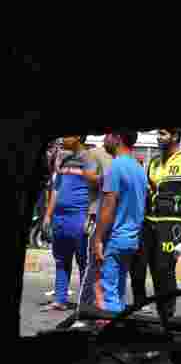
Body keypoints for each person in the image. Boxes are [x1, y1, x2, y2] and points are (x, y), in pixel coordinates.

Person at [131, 128, 181, 321]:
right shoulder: (154, 162)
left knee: (163, 270)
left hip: (172, 224)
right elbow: (148, 192)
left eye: (163, 134)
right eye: (158, 133)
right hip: (148, 222)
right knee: (137, 266)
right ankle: (139, 309)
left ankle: (167, 317)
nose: (158, 137)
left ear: (175, 136)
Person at [90, 131, 147, 316]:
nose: (104, 139)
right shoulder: (139, 169)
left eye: (107, 134)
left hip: (114, 239)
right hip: (131, 240)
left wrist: (97, 239)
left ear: (117, 137)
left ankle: (110, 336)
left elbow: (108, 207)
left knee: (108, 294)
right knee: (118, 291)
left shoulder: (116, 167)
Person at [41, 135, 100, 312]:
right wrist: (47, 216)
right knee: (61, 260)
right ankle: (60, 299)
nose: (62, 138)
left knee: (84, 262)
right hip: (60, 218)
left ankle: (85, 304)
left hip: (79, 216)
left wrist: (91, 216)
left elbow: (97, 189)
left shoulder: (89, 158)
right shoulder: (62, 158)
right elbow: (56, 188)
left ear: (78, 137)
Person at [74, 138, 113, 316]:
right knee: (93, 265)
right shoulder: (95, 153)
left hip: (114, 218)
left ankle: (102, 309)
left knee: (106, 266)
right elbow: (87, 176)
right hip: (96, 214)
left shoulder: (121, 156)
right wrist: (105, 178)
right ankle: (84, 310)